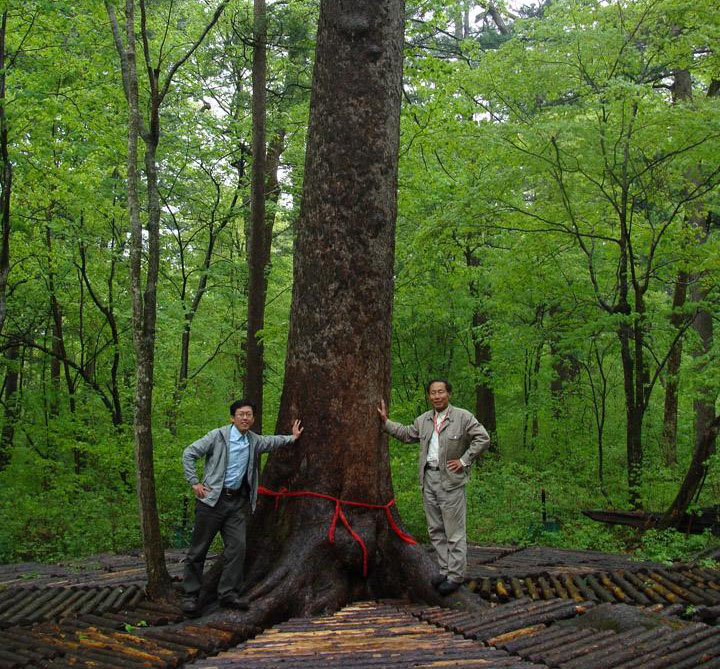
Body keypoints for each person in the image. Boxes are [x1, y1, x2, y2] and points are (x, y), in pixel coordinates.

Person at [181, 399, 303, 615]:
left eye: (249, 415)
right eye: (241, 414)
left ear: (253, 419)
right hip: (211, 502)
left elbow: (271, 442)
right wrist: (194, 482)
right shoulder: (218, 436)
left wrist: (292, 438)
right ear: (232, 417)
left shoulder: (253, 441)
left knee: (237, 548)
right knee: (198, 550)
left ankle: (227, 594)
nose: (245, 418)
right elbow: (189, 453)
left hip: (236, 503)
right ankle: (190, 596)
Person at [378, 379, 490, 595]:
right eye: (433, 393)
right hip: (428, 479)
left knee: (454, 530)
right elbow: (406, 434)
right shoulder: (424, 420)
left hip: (451, 480)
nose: (437, 396)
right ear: (429, 396)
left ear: (449, 394)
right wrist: (385, 422)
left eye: (441, 392)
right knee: (435, 529)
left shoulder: (462, 417)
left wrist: (465, 460)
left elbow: (482, 439)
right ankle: (445, 570)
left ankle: (456, 576)